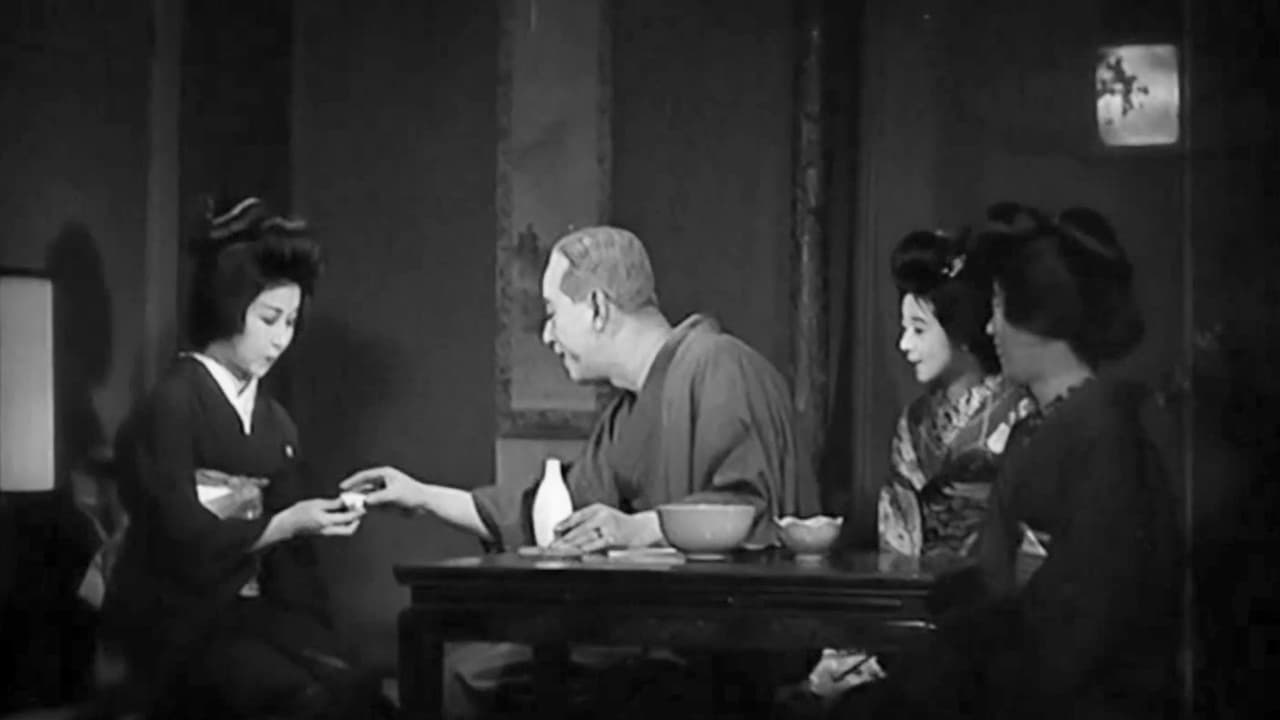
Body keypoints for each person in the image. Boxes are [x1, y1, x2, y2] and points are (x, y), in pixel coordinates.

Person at [342, 225, 818, 717]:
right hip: (657, 639)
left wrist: (636, 529)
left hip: (727, 646)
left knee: (474, 681)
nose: (547, 335)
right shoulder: (625, 415)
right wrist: (423, 496)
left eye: (552, 313)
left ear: (597, 308)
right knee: (460, 669)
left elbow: (746, 506)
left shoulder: (720, 364)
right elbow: (551, 513)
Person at [791, 203, 1182, 719]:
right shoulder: (1039, 432)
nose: (991, 327)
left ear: (1038, 320)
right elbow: (995, 586)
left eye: (998, 307)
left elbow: (1077, 626)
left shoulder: (1105, 437)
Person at [99, 198, 390, 719]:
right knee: (301, 697)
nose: (281, 339)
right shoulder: (172, 404)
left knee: (361, 689)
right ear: (226, 307)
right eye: (269, 319)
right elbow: (178, 535)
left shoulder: (276, 421)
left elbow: (293, 552)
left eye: (291, 322)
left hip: (256, 610)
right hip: (181, 618)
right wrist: (284, 523)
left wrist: (319, 520)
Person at [800, 228, 1031, 703]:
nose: (905, 344)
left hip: (991, 615)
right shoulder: (914, 421)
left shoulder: (1018, 413)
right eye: (904, 328)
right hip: (912, 607)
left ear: (961, 330)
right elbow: (898, 535)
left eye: (919, 330)